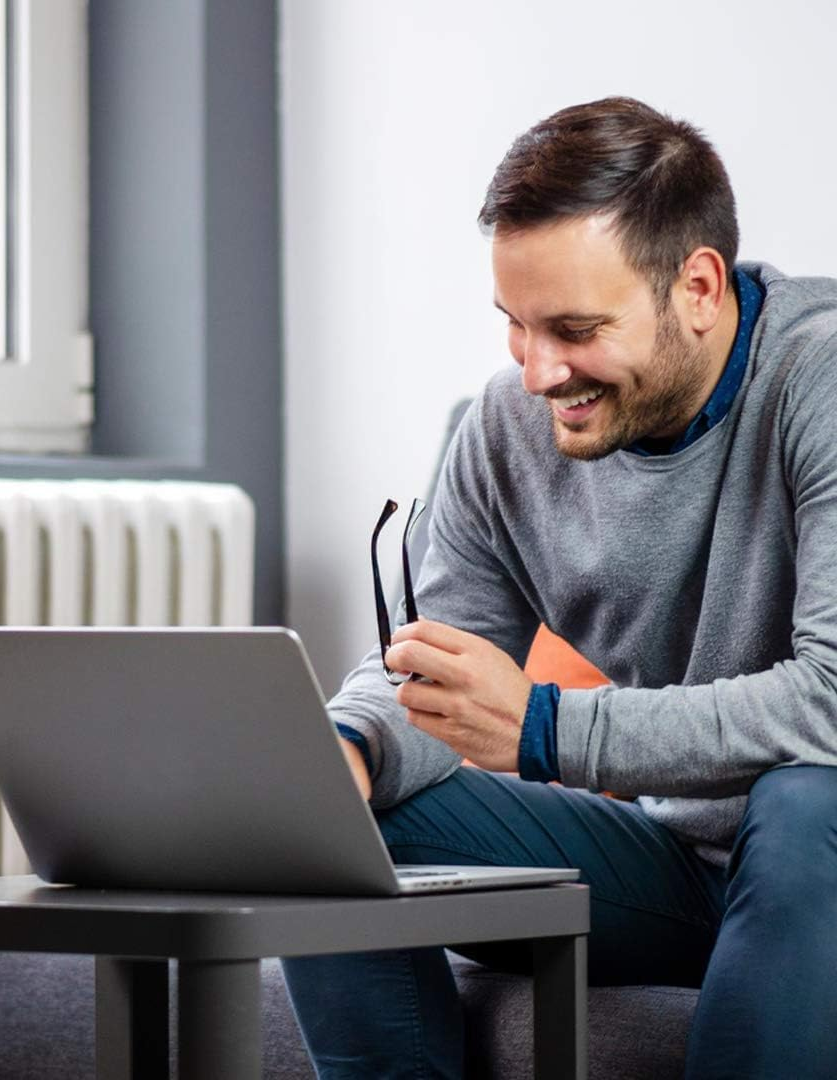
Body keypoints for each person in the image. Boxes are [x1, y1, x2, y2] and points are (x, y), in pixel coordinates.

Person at [282, 96, 837, 1080]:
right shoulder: (507, 428)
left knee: (801, 805)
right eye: (516, 326)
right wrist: (343, 749)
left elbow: (831, 702)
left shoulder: (818, 380)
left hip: (815, 852)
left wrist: (546, 730)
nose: (537, 373)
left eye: (574, 328)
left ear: (698, 287)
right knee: (320, 826)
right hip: (684, 869)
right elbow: (439, 653)